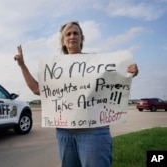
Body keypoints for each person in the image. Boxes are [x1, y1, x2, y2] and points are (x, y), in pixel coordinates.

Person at [14, 21, 139, 167]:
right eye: (68, 34)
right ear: (63, 41)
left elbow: (117, 78)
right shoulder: (54, 68)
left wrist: (130, 72)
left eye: (75, 33)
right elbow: (36, 89)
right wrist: (22, 65)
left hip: (94, 132)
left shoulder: (98, 63)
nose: (72, 36)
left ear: (81, 38)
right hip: (65, 133)